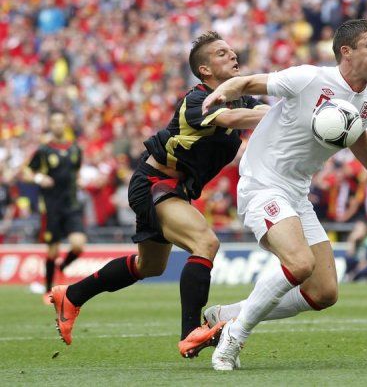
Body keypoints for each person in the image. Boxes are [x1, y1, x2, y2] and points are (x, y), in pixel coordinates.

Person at [201, 19, 367, 371]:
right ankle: (233, 338)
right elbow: (251, 81)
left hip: (297, 194)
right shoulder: (309, 78)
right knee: (299, 264)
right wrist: (226, 90)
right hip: (262, 183)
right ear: (346, 52)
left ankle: (226, 315)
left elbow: (356, 135)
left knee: (324, 292)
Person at [49, 31, 269, 358]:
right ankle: (191, 331)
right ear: (205, 70)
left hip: (173, 188)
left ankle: (72, 295)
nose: (233, 54)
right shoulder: (197, 100)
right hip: (154, 182)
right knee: (205, 243)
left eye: (231, 50)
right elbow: (232, 119)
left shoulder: (239, 97)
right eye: (222, 53)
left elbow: (260, 105)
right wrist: (277, 114)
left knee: (149, 266)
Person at [24, 110, 87, 305]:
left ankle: (62, 267)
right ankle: (48, 289)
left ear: (65, 124)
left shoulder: (75, 149)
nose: (58, 125)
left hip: (72, 205)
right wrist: (39, 178)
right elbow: (26, 171)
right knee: (52, 250)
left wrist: (80, 181)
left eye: (61, 121)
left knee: (78, 244)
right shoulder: (44, 150)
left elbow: (76, 172)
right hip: (52, 206)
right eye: (55, 122)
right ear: (50, 125)